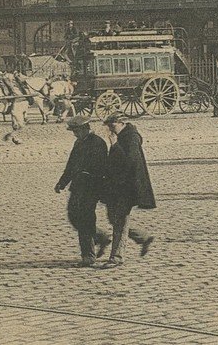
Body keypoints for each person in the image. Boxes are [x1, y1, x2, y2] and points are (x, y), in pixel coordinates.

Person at [55, 115, 112, 267]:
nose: (74, 134)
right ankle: (101, 236)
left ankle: (88, 256)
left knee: (85, 220)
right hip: (78, 187)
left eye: (77, 131)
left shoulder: (97, 143)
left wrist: (86, 176)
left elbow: (99, 168)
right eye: (73, 131)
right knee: (73, 216)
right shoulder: (79, 143)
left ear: (86, 128)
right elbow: (71, 165)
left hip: (91, 188)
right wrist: (62, 182)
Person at [100, 114, 155, 268]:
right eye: (109, 127)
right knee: (113, 218)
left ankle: (116, 257)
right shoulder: (122, 136)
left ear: (121, 123)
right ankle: (143, 237)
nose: (111, 130)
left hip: (127, 187)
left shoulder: (131, 138)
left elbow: (130, 161)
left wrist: (114, 145)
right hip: (117, 186)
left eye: (113, 126)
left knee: (119, 221)